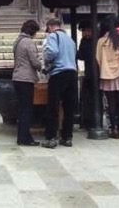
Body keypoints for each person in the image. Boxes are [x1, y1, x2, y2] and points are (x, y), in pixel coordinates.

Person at [41, 17, 77, 148]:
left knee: (53, 106)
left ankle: (51, 137)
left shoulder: (53, 36)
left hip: (58, 73)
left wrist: (47, 58)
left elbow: (52, 52)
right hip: (72, 73)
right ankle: (67, 137)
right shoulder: (70, 40)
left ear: (50, 27)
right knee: (69, 108)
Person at [96, 13, 119, 138]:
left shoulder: (101, 41)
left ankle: (114, 128)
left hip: (107, 75)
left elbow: (98, 59)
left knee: (110, 103)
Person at [12, 20, 41, 146]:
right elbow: (35, 62)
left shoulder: (17, 41)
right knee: (27, 109)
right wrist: (42, 65)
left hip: (17, 77)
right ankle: (25, 138)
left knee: (21, 109)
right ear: (33, 31)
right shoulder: (28, 42)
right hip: (26, 78)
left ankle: (22, 136)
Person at [77, 21, 98, 130]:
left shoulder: (96, 41)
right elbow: (81, 55)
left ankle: (94, 120)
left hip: (96, 72)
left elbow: (82, 55)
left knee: (94, 98)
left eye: (85, 31)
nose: (84, 33)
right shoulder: (84, 40)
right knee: (87, 97)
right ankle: (87, 120)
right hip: (88, 71)